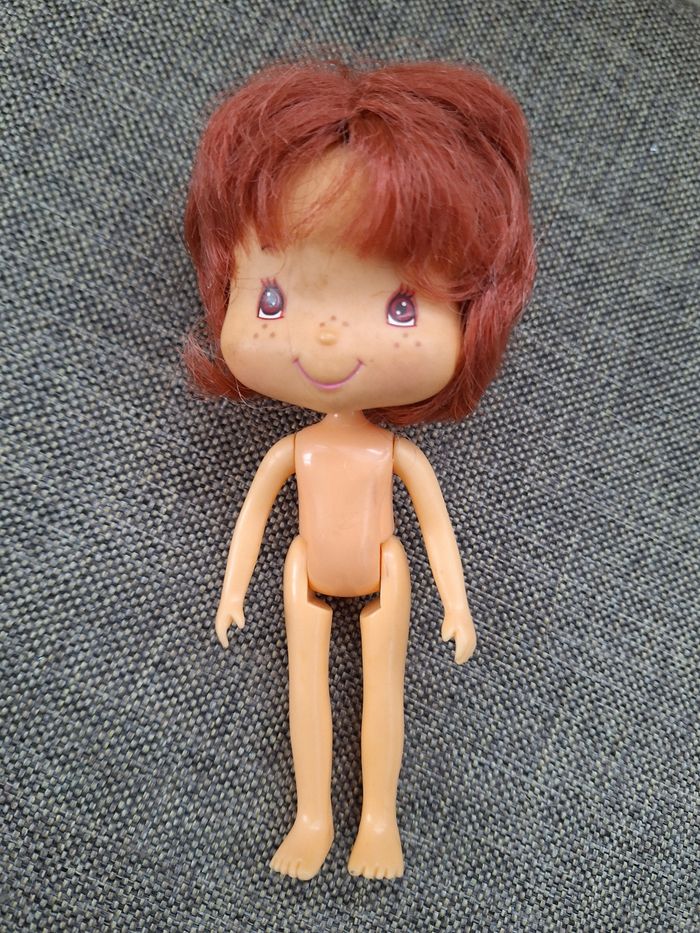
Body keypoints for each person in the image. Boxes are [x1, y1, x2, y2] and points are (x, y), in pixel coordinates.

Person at [183, 58, 535, 880]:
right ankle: (312, 816)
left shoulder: (392, 454)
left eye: (399, 305)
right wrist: (233, 590)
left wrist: (456, 602)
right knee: (304, 690)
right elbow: (255, 518)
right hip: (303, 567)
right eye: (273, 299)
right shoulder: (294, 452)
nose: (329, 338)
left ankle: (379, 819)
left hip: (387, 569)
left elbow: (435, 527)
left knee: (384, 692)